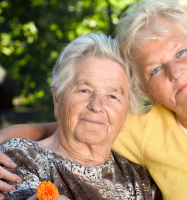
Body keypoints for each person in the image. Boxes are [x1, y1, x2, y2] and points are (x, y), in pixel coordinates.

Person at [0, 0, 187, 199]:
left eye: (181, 51)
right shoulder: (143, 129)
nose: (175, 71)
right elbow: (70, 124)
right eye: (155, 69)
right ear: (147, 92)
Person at [0, 33, 161, 200]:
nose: (96, 106)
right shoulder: (19, 157)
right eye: (84, 90)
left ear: (127, 114)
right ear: (57, 98)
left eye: (112, 96)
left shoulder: (141, 179)